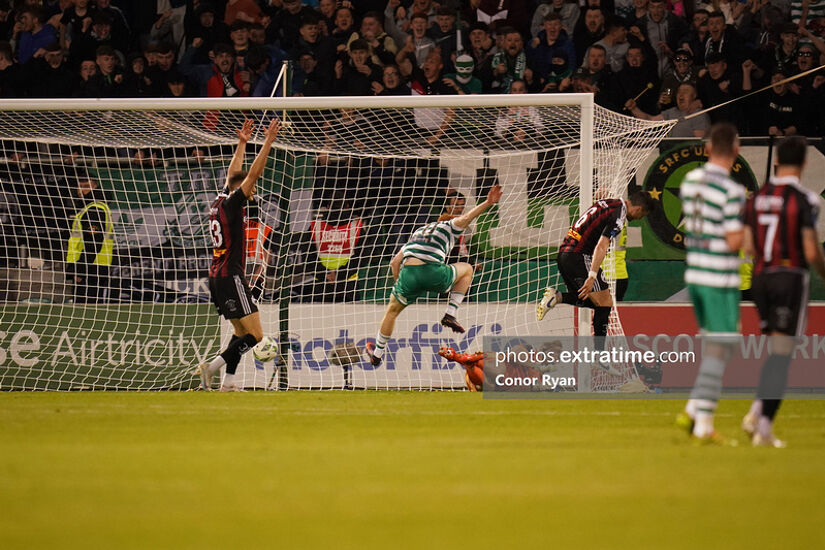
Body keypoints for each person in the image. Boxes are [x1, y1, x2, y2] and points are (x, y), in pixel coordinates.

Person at [741, 136, 825, 447]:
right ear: (804, 162)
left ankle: (756, 413)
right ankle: (762, 426)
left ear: (777, 159)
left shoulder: (757, 198)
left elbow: (748, 245)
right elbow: (810, 250)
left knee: (777, 353)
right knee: (782, 355)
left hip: (760, 278)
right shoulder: (805, 199)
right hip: (789, 277)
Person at [364, 184, 503, 367]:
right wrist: (488, 202)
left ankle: (377, 354)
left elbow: (394, 263)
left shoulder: (418, 232)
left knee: (391, 312)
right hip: (433, 272)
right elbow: (468, 217)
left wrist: (399, 283)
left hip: (408, 275)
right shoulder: (450, 225)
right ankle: (450, 314)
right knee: (467, 269)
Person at [675, 122, 746, 444]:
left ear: (705, 149)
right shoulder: (732, 191)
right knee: (722, 347)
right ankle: (703, 422)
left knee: (717, 347)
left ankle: (693, 409)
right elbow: (733, 241)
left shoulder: (689, 182)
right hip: (719, 276)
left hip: (696, 273)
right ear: (736, 150)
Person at [198, 118, 281, 392]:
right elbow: (250, 176)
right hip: (231, 276)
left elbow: (233, 175)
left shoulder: (218, 201)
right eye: (249, 190)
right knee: (256, 335)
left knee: (239, 332)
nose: (253, 192)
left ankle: (229, 383)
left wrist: (242, 143)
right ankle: (211, 367)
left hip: (216, 276)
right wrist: (267, 141)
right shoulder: (234, 204)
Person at [536, 190, 655, 372]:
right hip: (579, 256)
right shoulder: (619, 216)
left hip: (565, 253)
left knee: (594, 302)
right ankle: (599, 357)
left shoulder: (610, 202)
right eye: (642, 215)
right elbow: (602, 245)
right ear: (639, 208)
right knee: (605, 302)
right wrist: (592, 276)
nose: (639, 218)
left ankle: (558, 297)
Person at [66, 171, 113, 304]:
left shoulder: (94, 209)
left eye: (86, 186)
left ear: (95, 187)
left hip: (91, 269)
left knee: (85, 310)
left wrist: (80, 270)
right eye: (80, 186)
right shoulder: (91, 207)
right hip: (94, 266)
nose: (81, 190)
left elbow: (93, 243)